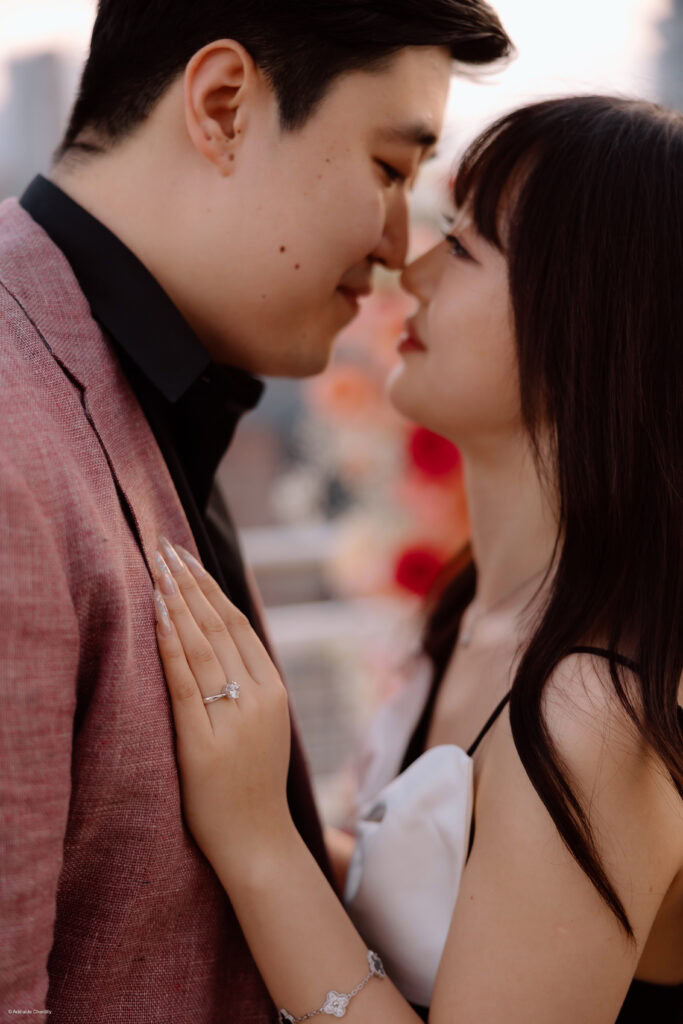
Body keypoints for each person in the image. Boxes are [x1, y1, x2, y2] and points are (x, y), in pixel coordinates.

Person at [0, 1, 512, 1019]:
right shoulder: (16, 440)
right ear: (225, 106)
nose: (395, 245)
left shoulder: (135, 387)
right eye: (386, 166)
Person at [153, 94, 683, 1023]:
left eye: (470, 243)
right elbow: (448, 909)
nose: (414, 264)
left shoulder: (593, 715)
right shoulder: (474, 609)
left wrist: (258, 840)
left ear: (589, 325)